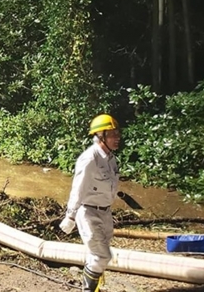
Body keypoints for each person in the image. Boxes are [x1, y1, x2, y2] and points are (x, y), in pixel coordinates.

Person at [59, 114, 121, 292]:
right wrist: (70, 216)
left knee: (100, 255)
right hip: (88, 213)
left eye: (117, 134)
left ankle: (96, 286)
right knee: (102, 256)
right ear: (101, 136)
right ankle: (87, 290)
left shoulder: (111, 159)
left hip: (105, 212)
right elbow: (79, 187)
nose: (117, 138)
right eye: (112, 134)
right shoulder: (90, 159)